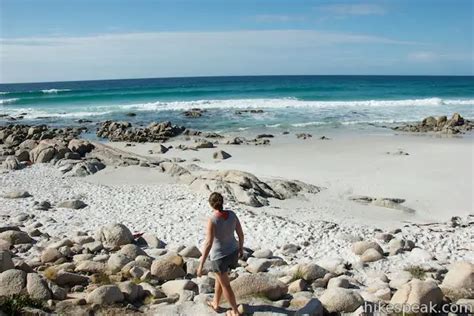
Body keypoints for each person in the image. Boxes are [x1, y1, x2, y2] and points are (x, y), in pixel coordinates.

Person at [197, 192, 244, 316]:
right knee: (220, 278)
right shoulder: (232, 214)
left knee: (226, 285)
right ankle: (215, 303)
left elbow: (208, 243)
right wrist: (241, 248)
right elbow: (240, 233)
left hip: (219, 257)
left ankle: (235, 311)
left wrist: (201, 264)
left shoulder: (213, 220)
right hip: (233, 252)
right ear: (222, 202)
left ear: (211, 205)